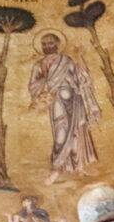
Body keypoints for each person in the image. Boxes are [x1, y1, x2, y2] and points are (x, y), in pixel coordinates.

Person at [28, 31, 101, 184]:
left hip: (75, 100)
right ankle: (57, 167)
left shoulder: (66, 60)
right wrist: (46, 82)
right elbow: (33, 86)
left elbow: (80, 78)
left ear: (57, 44)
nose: (47, 46)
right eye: (44, 44)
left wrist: (80, 59)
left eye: (50, 43)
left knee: (78, 131)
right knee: (61, 133)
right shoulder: (39, 65)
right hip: (56, 101)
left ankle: (79, 166)